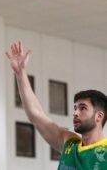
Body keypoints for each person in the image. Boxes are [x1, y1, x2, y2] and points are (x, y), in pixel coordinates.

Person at [6, 41, 107, 170]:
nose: (75, 113)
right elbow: (36, 115)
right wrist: (20, 73)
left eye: (83, 108)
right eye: (75, 108)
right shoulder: (69, 143)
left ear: (99, 116)